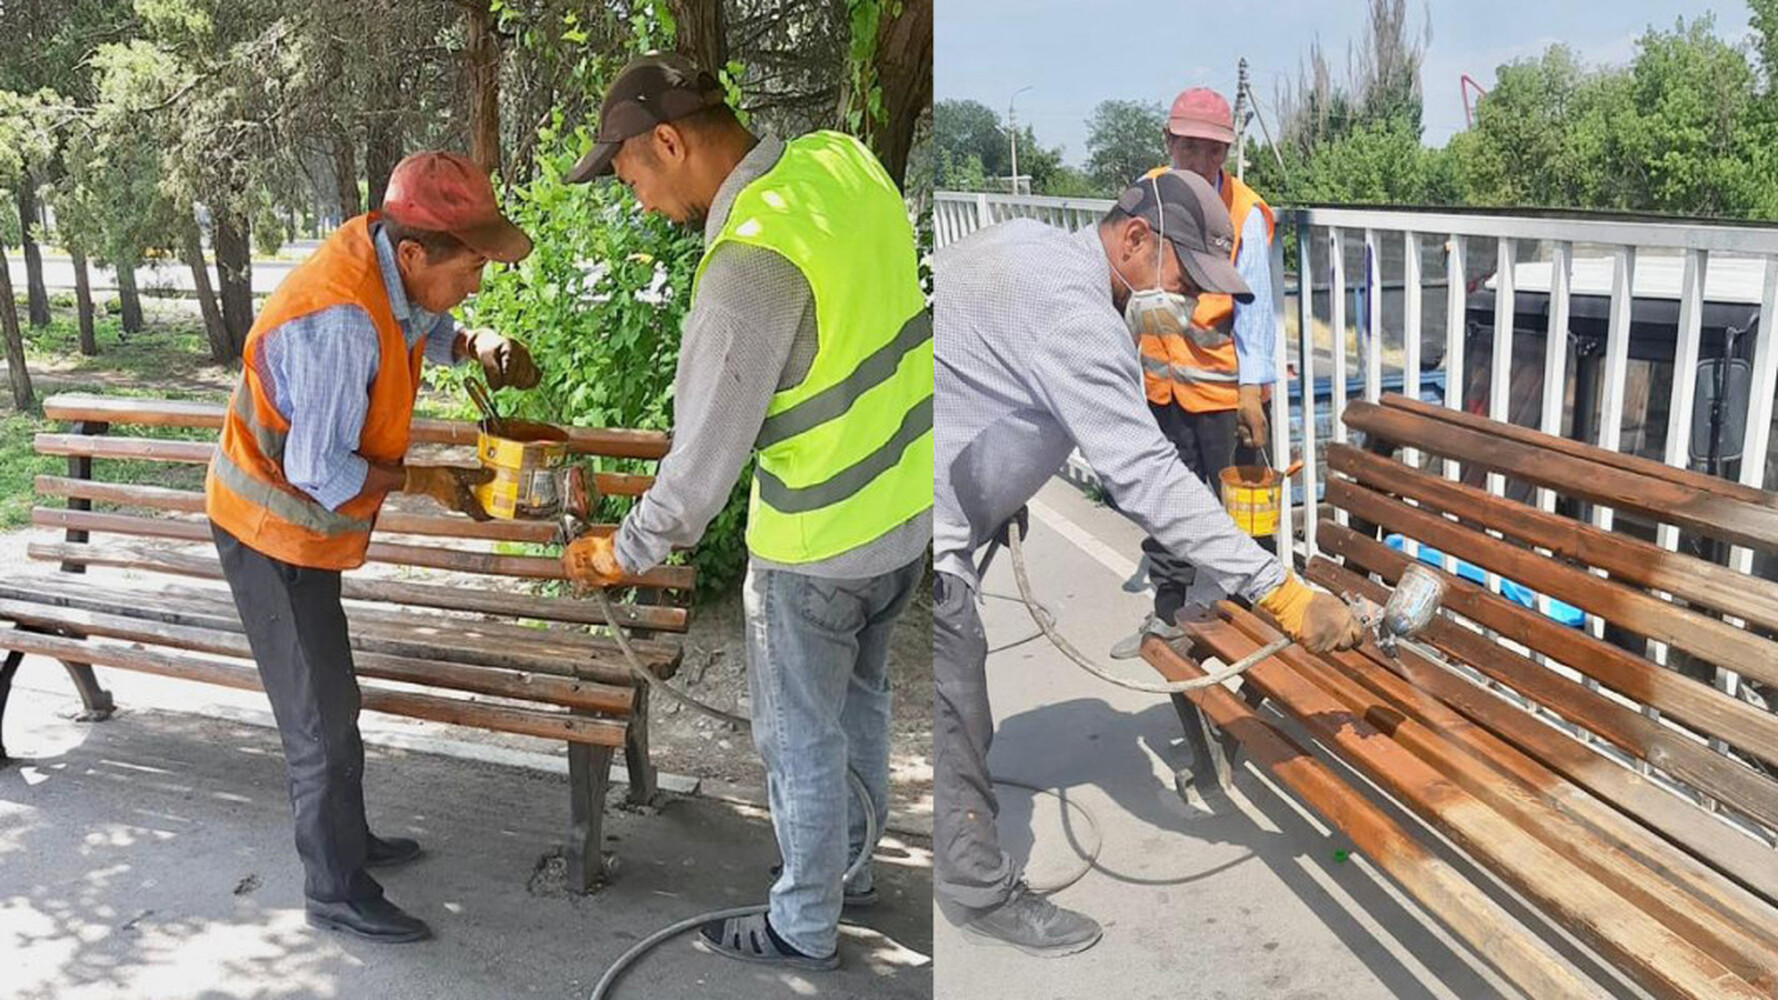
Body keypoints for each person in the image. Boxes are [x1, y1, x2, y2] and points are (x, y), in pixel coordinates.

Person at [557, 53, 931, 972]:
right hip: (906, 516)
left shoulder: (747, 265)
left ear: (671, 142)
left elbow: (696, 477)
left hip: (820, 542)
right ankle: (851, 866)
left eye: (631, 173)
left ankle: (805, 919)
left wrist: (620, 552)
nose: (637, 198)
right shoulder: (842, 162)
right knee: (862, 703)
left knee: (799, 735)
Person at [933, 169, 1362, 956]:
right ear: (1132, 241)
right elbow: (1147, 478)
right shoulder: (1078, 316)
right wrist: (1282, 593)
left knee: (949, 696)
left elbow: (983, 375)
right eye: (1183, 276)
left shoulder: (1030, 245)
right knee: (955, 697)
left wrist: (1007, 472)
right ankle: (977, 889)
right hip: (926, 532)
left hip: (940, 499)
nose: (1192, 301)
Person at [204, 151, 540, 943]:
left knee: (334, 702)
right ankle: (334, 887)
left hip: (301, 533)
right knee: (319, 720)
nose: (477, 284)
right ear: (416, 251)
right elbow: (319, 470)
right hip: (269, 531)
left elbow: (424, 314)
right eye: (473, 269)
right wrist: (426, 480)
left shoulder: (388, 258)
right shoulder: (341, 318)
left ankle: (349, 844)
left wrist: (477, 342)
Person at [1113, 86, 1281, 659]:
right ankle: (1169, 616)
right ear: (1169, 143)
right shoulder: (1147, 197)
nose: (1203, 161)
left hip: (1223, 391)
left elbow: (1256, 311)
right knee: (1165, 500)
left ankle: (1263, 615)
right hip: (1161, 385)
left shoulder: (1244, 213)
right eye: (1191, 147)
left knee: (1247, 504)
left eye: (1214, 151)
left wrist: (1251, 394)